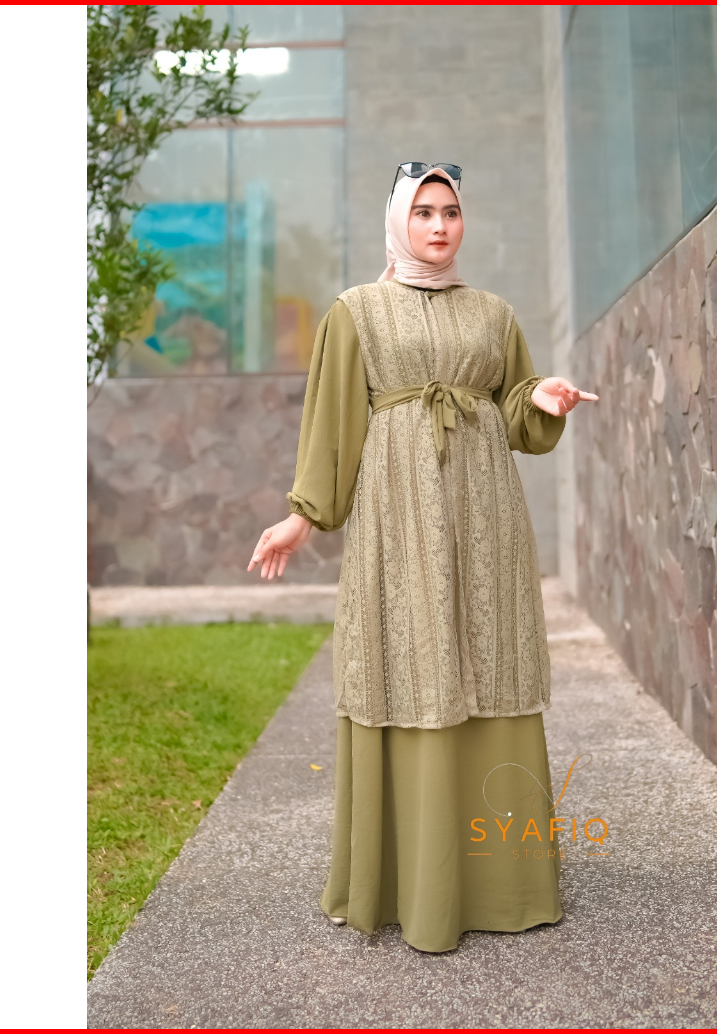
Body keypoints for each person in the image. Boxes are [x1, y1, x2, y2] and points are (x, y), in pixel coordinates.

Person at [248, 164, 598, 953]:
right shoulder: (356, 312)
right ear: (398, 220)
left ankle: (504, 884)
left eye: (451, 212)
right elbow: (334, 424)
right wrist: (303, 516)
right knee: (409, 660)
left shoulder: (494, 314)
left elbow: (516, 407)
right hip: (397, 520)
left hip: (487, 521)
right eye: (424, 212)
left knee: (492, 658)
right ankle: (412, 885)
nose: (439, 226)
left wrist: (542, 400)